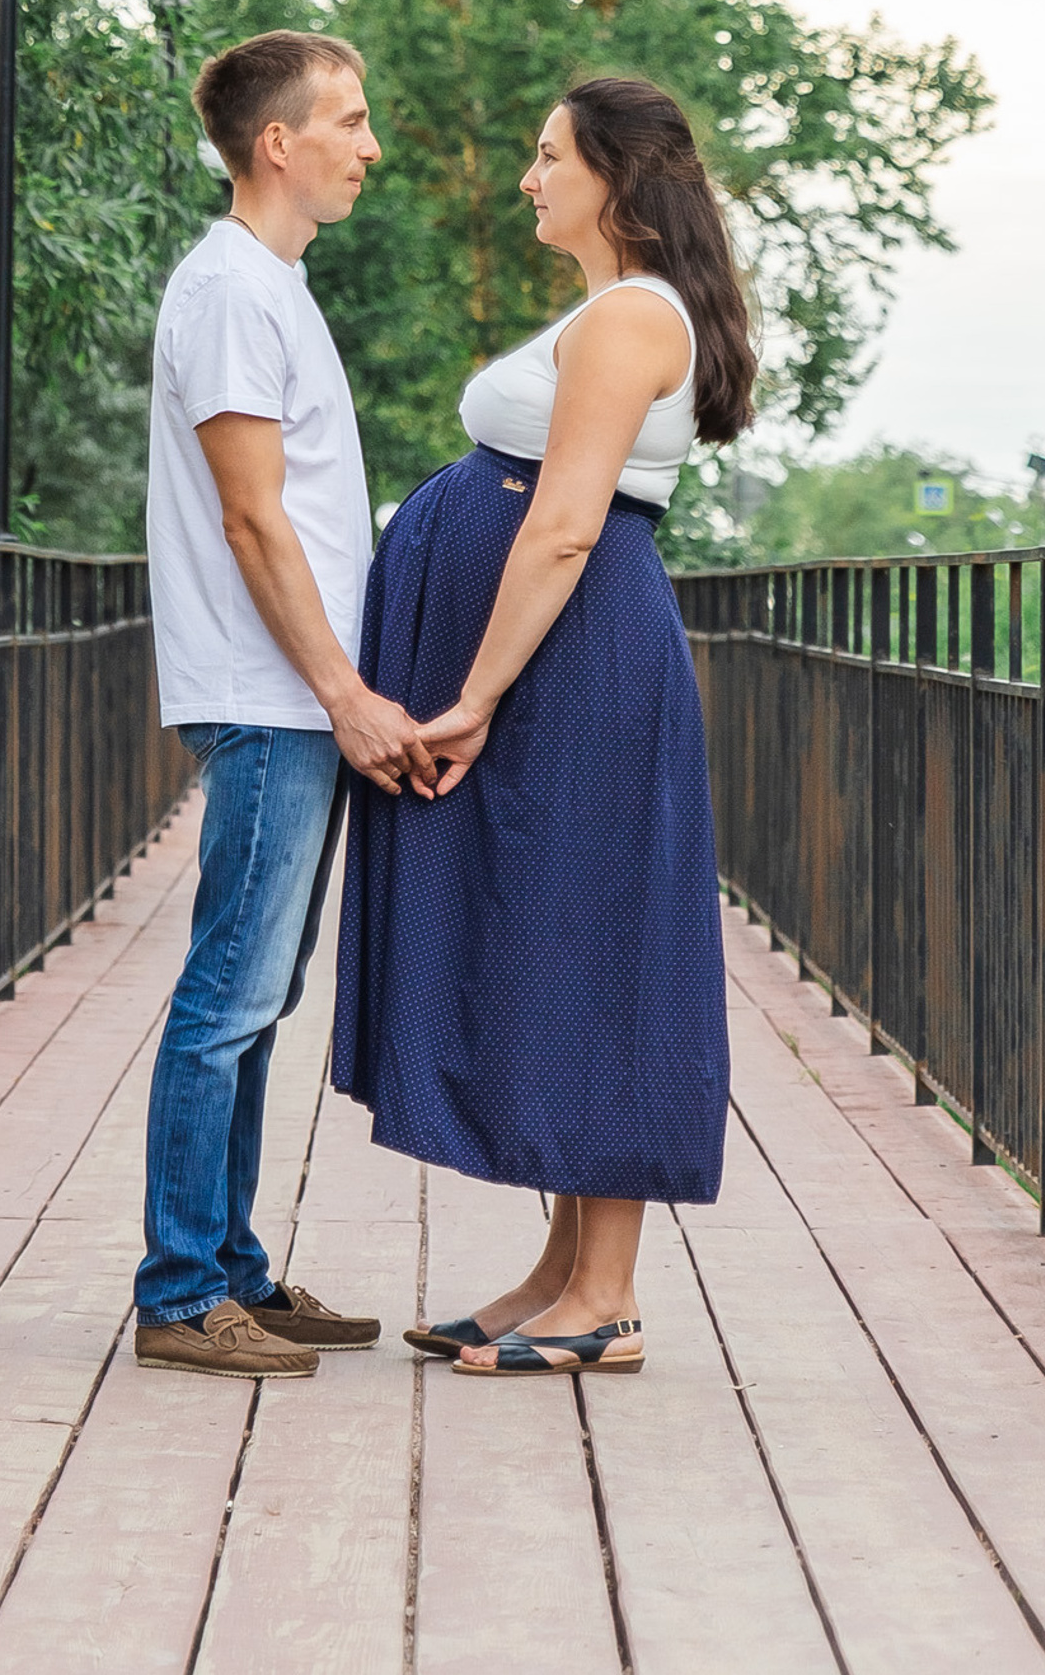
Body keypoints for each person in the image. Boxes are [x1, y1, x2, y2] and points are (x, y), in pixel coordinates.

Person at [332, 75, 755, 1378]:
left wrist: (476, 692)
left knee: (595, 946)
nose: (529, 176)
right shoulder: (606, 310)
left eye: (546, 155)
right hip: (557, 663)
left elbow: (564, 519)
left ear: (614, 177)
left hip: (574, 670)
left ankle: (609, 1301)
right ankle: (561, 1271)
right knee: (554, 943)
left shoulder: (633, 317)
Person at [133, 30, 441, 1379]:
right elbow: (256, 524)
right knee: (228, 996)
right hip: (272, 697)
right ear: (280, 142)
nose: (370, 148)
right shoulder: (227, 297)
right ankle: (182, 1289)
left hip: (293, 698)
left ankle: (233, 1269)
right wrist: (345, 692)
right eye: (352, 123)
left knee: (259, 994)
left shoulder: (273, 289)